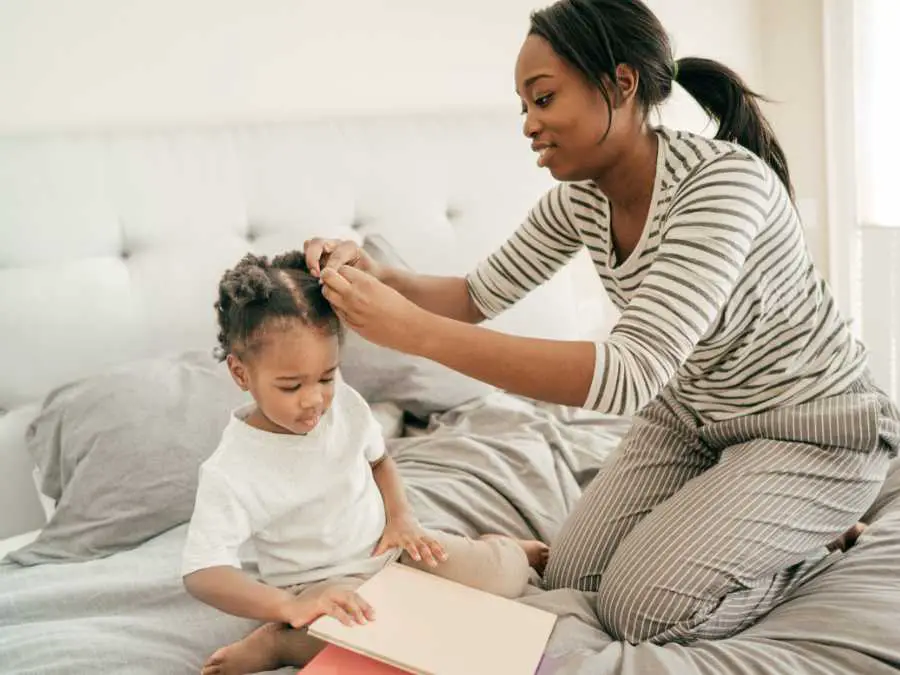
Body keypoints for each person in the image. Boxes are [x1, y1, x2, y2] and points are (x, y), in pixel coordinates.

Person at [303, 0, 900, 646]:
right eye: (523, 106)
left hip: (811, 429)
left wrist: (413, 334)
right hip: (695, 418)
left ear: (620, 84)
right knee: (573, 570)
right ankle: (749, 512)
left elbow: (628, 375)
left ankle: (811, 540)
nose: (529, 124)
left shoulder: (724, 187)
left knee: (638, 610)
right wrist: (378, 276)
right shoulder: (580, 200)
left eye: (544, 98)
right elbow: (474, 296)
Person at [181, 252, 548, 675]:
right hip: (321, 587)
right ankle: (276, 644)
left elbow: (379, 461)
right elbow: (202, 572)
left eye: (326, 377)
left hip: (389, 552)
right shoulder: (231, 471)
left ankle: (500, 547)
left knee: (504, 579)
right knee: (370, 645)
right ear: (241, 374)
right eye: (291, 385)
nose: (314, 398)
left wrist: (401, 518)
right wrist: (290, 604)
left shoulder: (346, 406)